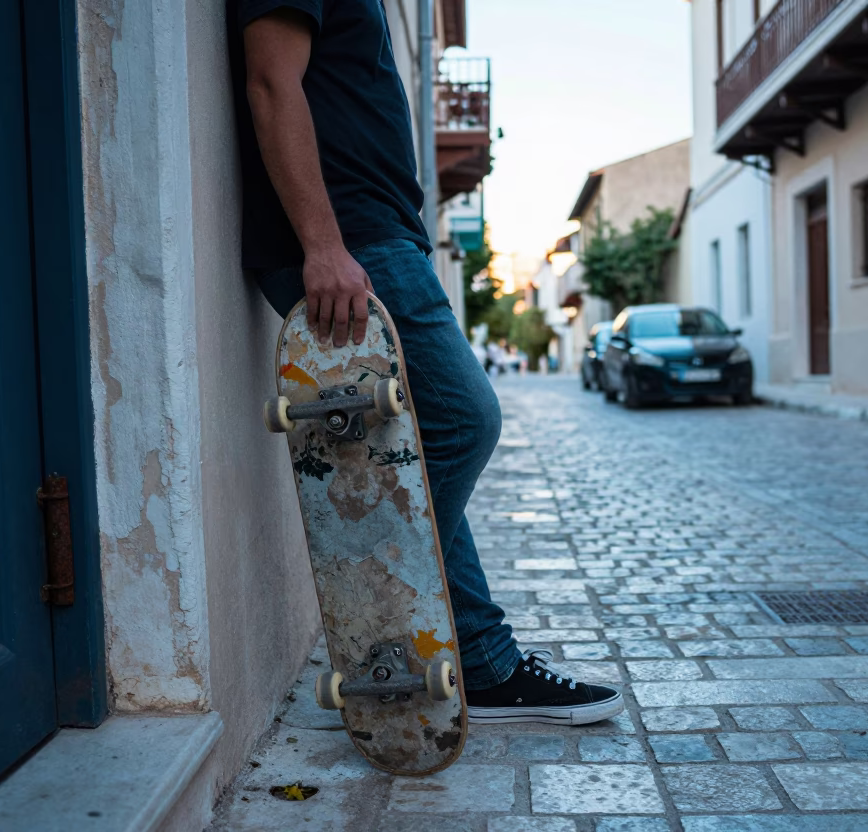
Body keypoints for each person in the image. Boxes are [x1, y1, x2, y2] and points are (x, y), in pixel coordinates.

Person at [227, 0, 623, 725]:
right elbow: (270, 82)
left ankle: (482, 663)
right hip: (353, 240)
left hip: (373, 235)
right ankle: (371, 615)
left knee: (409, 447)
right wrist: (322, 245)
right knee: (462, 420)